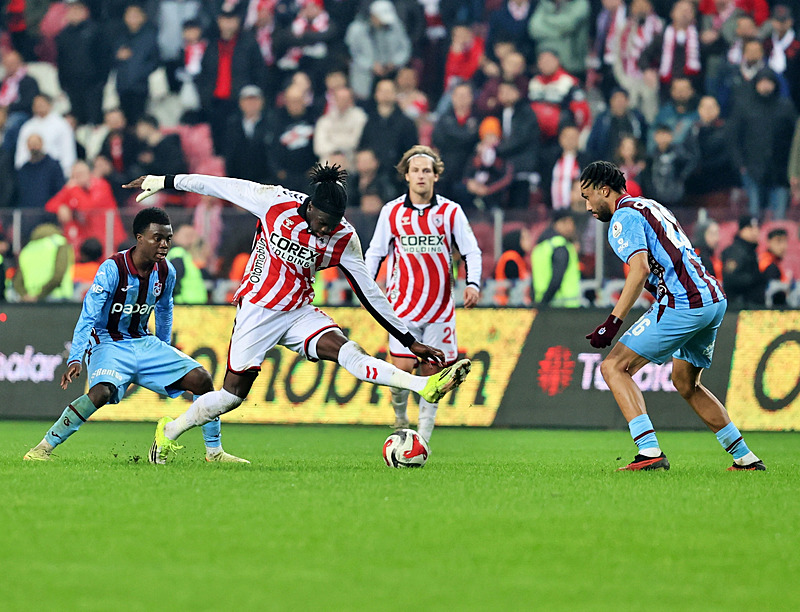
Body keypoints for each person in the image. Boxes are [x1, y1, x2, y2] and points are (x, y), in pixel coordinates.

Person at [124, 164, 472, 464]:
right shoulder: (273, 202)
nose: (324, 231)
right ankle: (169, 430)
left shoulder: (343, 237)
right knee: (231, 397)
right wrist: (166, 180)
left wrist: (409, 340)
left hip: (298, 312)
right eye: (321, 222)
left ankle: (422, 385)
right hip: (258, 311)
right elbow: (217, 184)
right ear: (309, 207)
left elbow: (371, 294)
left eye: (331, 225)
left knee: (349, 351)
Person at [580, 160, 765, 471]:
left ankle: (648, 450)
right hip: (712, 299)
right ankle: (745, 457)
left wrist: (612, 323)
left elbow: (638, 270)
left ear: (604, 190)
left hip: (684, 303)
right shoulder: (650, 205)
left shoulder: (622, 218)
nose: (587, 206)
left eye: (587, 196)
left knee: (614, 366)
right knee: (685, 382)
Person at [23, 208, 248, 463]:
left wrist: (164, 348)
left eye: (168, 239)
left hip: (144, 341)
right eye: (157, 238)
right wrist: (75, 357)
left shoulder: (166, 272)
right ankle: (42, 448)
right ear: (139, 238)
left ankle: (214, 453)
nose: (164, 245)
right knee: (101, 393)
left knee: (201, 379)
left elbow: (164, 310)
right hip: (108, 341)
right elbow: (88, 315)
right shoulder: (112, 269)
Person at [364, 146, 482, 441]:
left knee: (432, 378)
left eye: (426, 170)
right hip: (401, 309)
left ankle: (423, 441)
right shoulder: (392, 211)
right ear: (406, 175)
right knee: (401, 372)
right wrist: (366, 287)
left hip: (440, 312)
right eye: (415, 170)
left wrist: (473, 283)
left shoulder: (450, 211)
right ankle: (401, 415)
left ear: (436, 176)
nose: (421, 175)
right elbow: (375, 252)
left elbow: (471, 250)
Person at [13, 223, 74, 303]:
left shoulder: (26, 249)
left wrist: (25, 295)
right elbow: (58, 274)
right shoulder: (60, 243)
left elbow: (18, 280)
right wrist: (41, 295)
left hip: (30, 300)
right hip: (58, 298)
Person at [532, 210, 581, 307]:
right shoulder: (560, 246)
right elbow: (556, 279)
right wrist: (544, 303)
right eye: (566, 222)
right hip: (563, 305)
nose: (571, 227)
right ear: (557, 224)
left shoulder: (540, 247)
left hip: (542, 303)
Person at [721, 215, 765, 307]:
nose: (755, 231)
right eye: (750, 228)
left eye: (757, 227)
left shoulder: (751, 251)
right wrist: (754, 278)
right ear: (741, 230)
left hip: (749, 305)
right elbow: (730, 278)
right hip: (739, 305)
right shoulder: (735, 251)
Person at [759, 227, 790, 306]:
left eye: (785, 241)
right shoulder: (768, 266)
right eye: (778, 241)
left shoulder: (774, 263)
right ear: (768, 242)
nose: (783, 246)